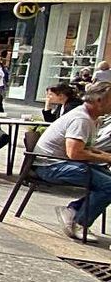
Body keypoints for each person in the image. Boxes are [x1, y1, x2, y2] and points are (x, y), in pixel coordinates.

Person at [34, 81, 111, 240]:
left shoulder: (90, 118)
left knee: (107, 181)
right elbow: (75, 153)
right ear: (99, 101)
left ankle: (74, 210)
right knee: (108, 185)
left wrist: (104, 157)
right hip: (50, 166)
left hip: (60, 163)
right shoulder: (81, 119)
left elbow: (86, 147)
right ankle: (78, 222)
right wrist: (106, 157)